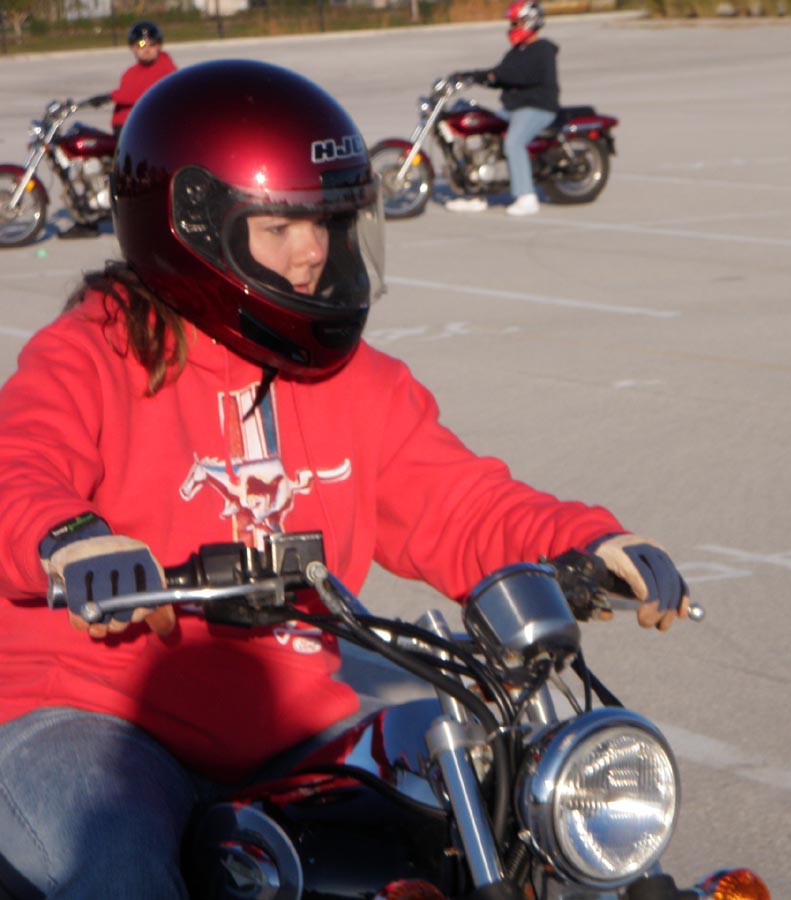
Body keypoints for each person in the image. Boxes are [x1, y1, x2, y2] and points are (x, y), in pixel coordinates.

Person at [0, 59, 688, 899]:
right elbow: (20, 462)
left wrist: (585, 540)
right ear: (193, 227)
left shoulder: (356, 384)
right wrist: (71, 539)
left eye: (326, 221)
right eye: (279, 226)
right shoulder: (96, 354)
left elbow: (458, 502)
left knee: (461, 809)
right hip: (94, 716)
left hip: (289, 723)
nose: (313, 251)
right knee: (116, 865)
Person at [58, 21, 177, 241]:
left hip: (145, 134)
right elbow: (129, 90)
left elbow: (139, 92)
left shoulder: (166, 69)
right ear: (132, 47)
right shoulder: (131, 72)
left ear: (159, 45)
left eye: (152, 43)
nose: (146, 48)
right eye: (141, 44)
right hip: (124, 131)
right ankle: (88, 213)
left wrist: (109, 96)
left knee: (128, 179)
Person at [447, 0, 558, 217]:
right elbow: (499, 74)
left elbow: (516, 76)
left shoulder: (543, 49)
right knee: (484, 132)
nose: (512, 28)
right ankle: (477, 193)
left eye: (515, 23)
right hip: (514, 109)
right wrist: (469, 76)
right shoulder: (517, 51)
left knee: (513, 142)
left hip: (537, 108)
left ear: (530, 22)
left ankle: (527, 197)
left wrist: (488, 76)